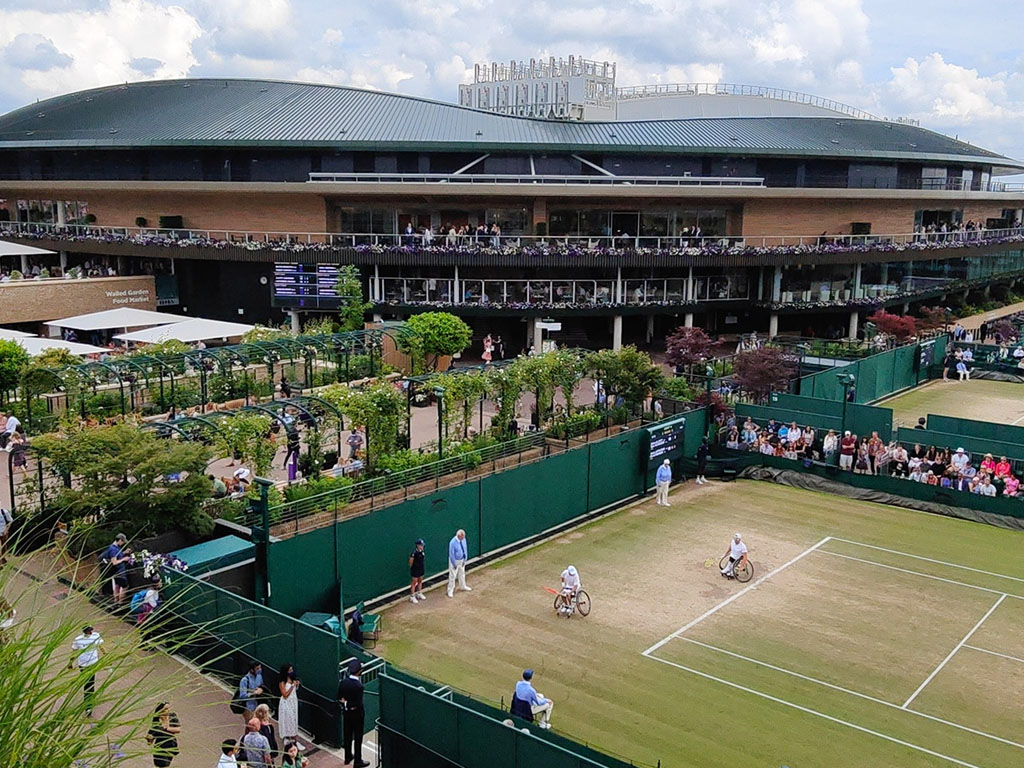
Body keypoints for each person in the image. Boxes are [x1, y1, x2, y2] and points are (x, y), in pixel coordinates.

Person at [337, 659, 369, 767]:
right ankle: (357, 761)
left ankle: (347, 757)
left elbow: (339, 698)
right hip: (357, 715)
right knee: (358, 737)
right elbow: (357, 704)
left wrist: (345, 704)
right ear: (359, 672)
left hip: (347, 714)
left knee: (347, 735)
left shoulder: (343, 682)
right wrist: (348, 705)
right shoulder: (359, 687)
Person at [68, 625, 103, 715]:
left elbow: (101, 646)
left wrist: (107, 655)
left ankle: (88, 705)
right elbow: (74, 651)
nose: (90, 632)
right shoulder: (78, 640)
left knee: (89, 683)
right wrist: (70, 662)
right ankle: (88, 705)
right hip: (83, 664)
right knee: (88, 683)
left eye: (91, 630)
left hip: (93, 663)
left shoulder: (96, 636)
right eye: (88, 631)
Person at [146, 702, 181, 768]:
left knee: (167, 763)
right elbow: (152, 733)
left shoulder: (172, 716)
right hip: (160, 745)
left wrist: (166, 728)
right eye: (165, 709)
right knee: (161, 763)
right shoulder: (157, 721)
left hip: (170, 743)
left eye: (168, 708)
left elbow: (178, 729)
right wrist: (150, 739)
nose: (167, 711)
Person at [278, 664, 303, 752]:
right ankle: (288, 737)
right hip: (286, 703)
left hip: (293, 702)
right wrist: (292, 686)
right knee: (288, 720)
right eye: (290, 670)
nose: (291, 671)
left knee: (294, 719)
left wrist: (296, 684)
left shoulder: (292, 679)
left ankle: (294, 739)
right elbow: (285, 695)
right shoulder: (282, 682)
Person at [102, 533, 132, 606]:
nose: (123, 543)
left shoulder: (115, 548)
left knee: (117, 586)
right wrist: (124, 559)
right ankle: (120, 603)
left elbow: (117, 555)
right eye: (123, 542)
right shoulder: (113, 549)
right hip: (119, 571)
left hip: (117, 572)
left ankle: (116, 601)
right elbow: (114, 562)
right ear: (119, 540)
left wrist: (124, 552)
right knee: (125, 587)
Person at [446, 529, 471, 597]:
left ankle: (462, 586)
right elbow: (451, 554)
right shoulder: (452, 542)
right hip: (455, 560)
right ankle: (450, 590)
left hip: (462, 560)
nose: (463, 538)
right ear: (459, 536)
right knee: (453, 576)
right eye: (462, 537)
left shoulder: (463, 539)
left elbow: (465, 548)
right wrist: (454, 564)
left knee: (462, 573)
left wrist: (465, 559)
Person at [409, 539, 426, 604]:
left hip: (421, 569)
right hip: (415, 570)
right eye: (421, 545)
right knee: (414, 582)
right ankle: (412, 596)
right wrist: (413, 568)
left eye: (422, 545)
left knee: (420, 581)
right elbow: (411, 562)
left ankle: (419, 593)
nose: (422, 546)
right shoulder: (414, 553)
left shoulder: (422, 552)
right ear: (418, 545)